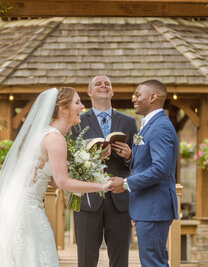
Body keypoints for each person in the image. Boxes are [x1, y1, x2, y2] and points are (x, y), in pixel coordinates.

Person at [0, 87, 112, 267]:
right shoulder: (55, 139)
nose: (82, 106)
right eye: (77, 102)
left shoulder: (44, 134)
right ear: (62, 109)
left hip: (16, 203)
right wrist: (102, 186)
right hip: (27, 208)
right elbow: (62, 181)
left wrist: (82, 176)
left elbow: (46, 177)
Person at [110, 79, 179, 267]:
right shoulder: (150, 124)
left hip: (154, 208)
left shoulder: (160, 127)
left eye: (138, 94)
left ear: (153, 97)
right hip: (146, 207)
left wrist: (125, 183)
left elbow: (160, 169)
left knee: (152, 262)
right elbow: (149, 163)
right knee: (152, 260)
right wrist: (132, 155)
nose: (134, 98)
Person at [71, 75, 137, 267]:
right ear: (90, 92)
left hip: (120, 200)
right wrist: (93, 157)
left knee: (120, 259)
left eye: (107, 84)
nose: (103, 86)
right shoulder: (77, 122)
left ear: (112, 91)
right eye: (98, 84)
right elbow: (70, 161)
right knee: (86, 259)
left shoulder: (129, 122)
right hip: (88, 200)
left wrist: (129, 155)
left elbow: (140, 162)